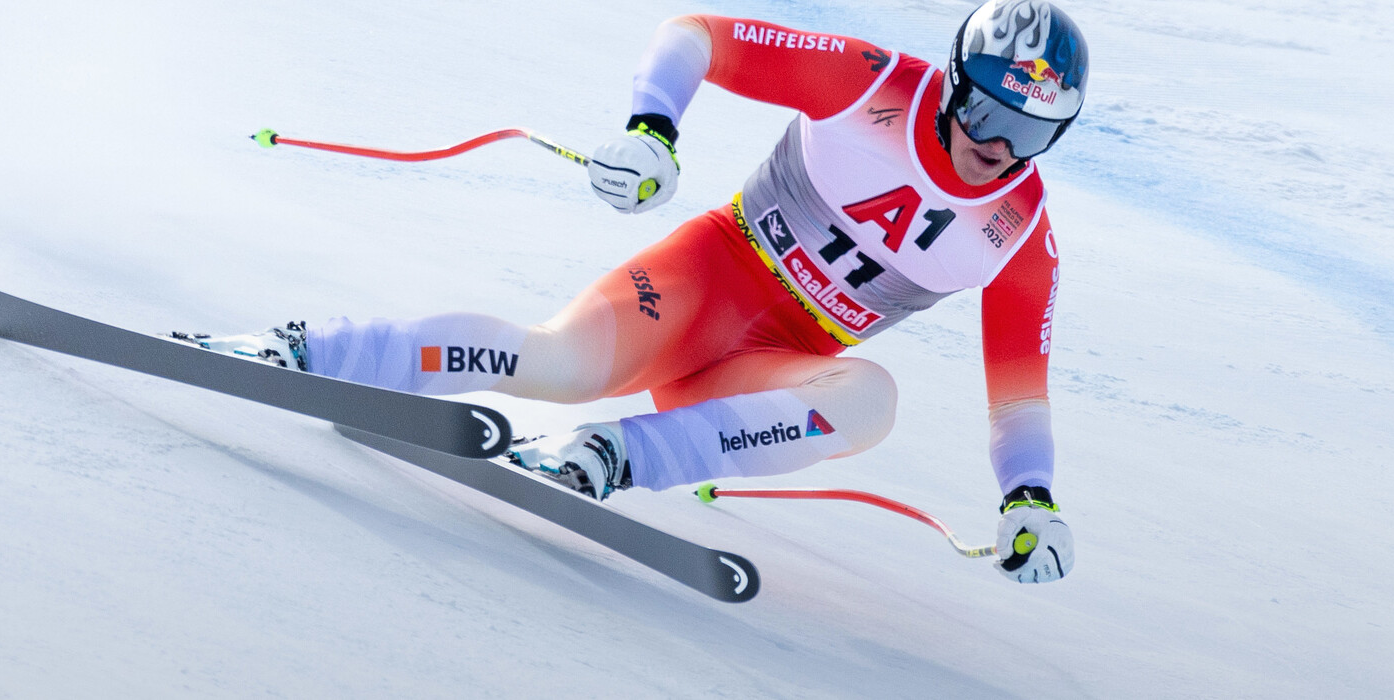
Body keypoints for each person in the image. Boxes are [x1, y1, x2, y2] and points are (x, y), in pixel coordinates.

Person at [179, 0, 1087, 584]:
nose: (999, 145)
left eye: (1032, 130)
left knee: (870, 402)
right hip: (707, 282)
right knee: (560, 362)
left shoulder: (1024, 235)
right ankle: (306, 350)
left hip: (769, 369)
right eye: (987, 111)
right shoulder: (871, 84)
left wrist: (1030, 502)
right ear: (954, 86)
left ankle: (608, 458)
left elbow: (1019, 399)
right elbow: (697, 33)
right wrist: (653, 128)